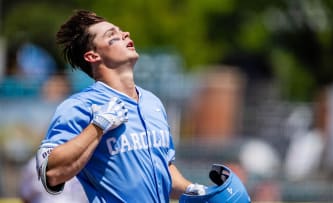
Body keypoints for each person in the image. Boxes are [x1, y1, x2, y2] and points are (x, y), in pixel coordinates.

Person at [36, 9, 206, 203]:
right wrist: (97, 127)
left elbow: (163, 169)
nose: (125, 34)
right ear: (92, 56)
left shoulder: (152, 102)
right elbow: (51, 173)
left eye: (121, 31)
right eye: (112, 35)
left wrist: (192, 189)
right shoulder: (80, 107)